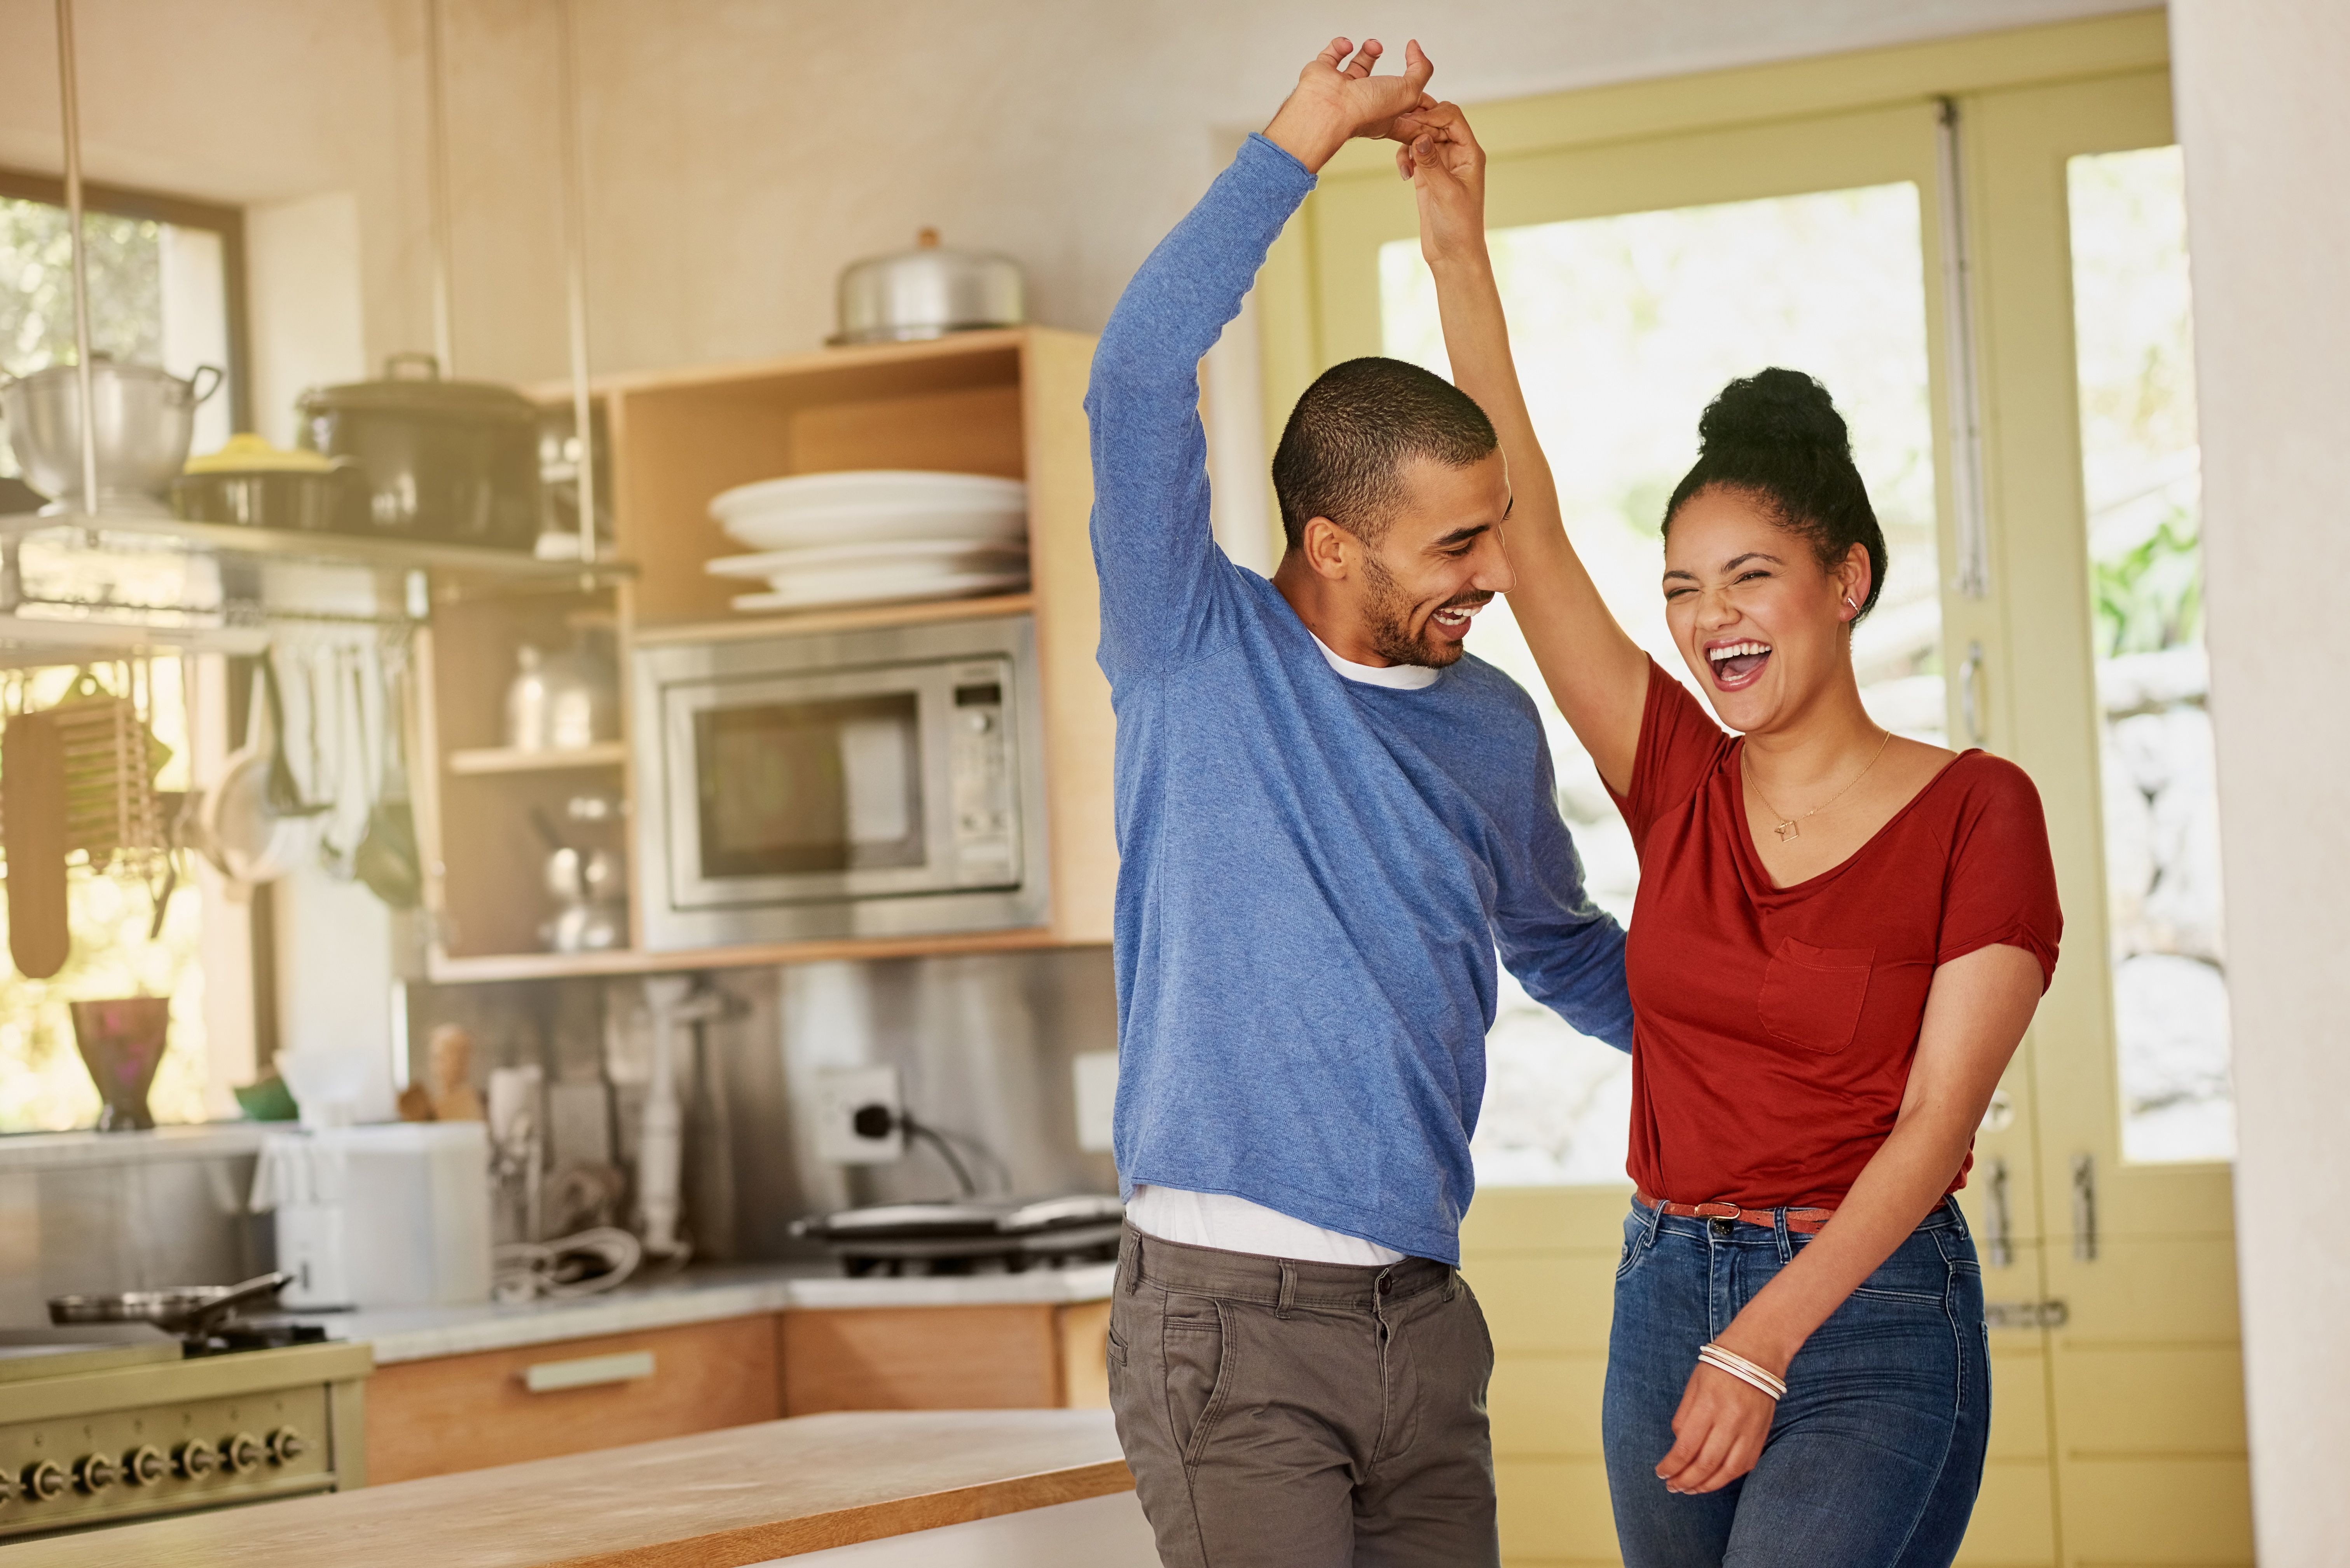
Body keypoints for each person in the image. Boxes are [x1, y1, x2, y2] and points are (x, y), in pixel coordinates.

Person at [1395, 100, 2064, 1567]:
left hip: (1874, 1312)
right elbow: (1532, 528)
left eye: (1749, 576)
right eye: (1685, 588)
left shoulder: (1978, 811)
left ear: (1848, 580)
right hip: (1662, 1288)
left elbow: (1937, 1125)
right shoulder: (1677, 775)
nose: (1709, 622)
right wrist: (1455, 241)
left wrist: (1764, 1340)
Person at [1088, 37, 1634, 1568]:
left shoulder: (1490, 727)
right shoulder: (1192, 647)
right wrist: (1305, 138)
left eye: (1498, 532)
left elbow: (1575, 955)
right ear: (1333, 545)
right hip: (1225, 1329)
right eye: (1457, 547)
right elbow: (1136, 374)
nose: (1497, 575)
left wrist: (1805, 1058)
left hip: (1423, 1322)